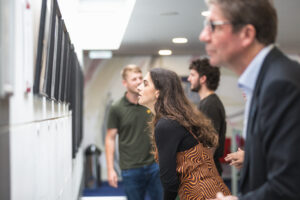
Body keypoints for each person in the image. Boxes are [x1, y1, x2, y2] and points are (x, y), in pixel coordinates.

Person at [199, 0, 300, 199]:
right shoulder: (268, 79)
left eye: (213, 26)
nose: (203, 36)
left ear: (246, 34)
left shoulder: (280, 85)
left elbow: (289, 186)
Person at [137, 68, 231, 200]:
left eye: (145, 84)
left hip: (201, 195)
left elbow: (169, 181)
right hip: (215, 191)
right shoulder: (178, 119)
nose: (138, 87)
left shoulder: (166, 124)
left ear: (158, 92)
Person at [105, 65, 163, 200]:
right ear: (124, 83)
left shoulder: (152, 103)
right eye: (134, 79)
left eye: (140, 78)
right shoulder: (116, 108)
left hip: (155, 166)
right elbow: (110, 138)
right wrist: (110, 169)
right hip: (130, 169)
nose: (138, 81)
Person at [188, 58, 226, 176]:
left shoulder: (210, 105)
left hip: (207, 173)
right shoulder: (205, 103)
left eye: (192, 75)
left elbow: (211, 143)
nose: (189, 79)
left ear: (203, 79)